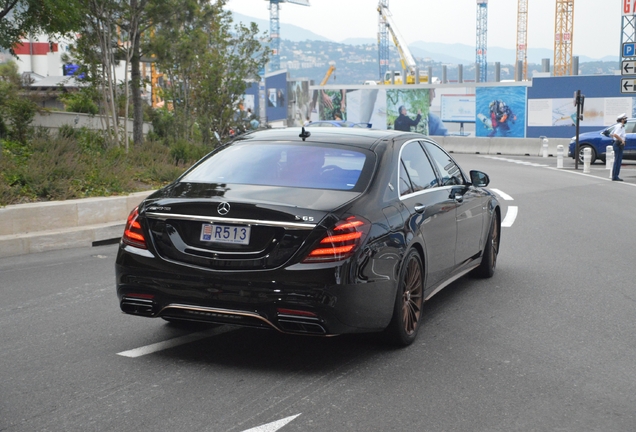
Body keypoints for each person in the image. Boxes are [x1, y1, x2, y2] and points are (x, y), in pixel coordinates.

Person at [611, 113, 628, 181]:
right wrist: (621, 140)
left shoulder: (620, 126)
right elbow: (615, 135)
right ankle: (615, 176)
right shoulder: (619, 126)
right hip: (618, 144)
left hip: (618, 144)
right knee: (617, 161)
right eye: (625, 119)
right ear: (622, 120)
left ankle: (615, 175)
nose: (626, 120)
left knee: (618, 160)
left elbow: (611, 134)